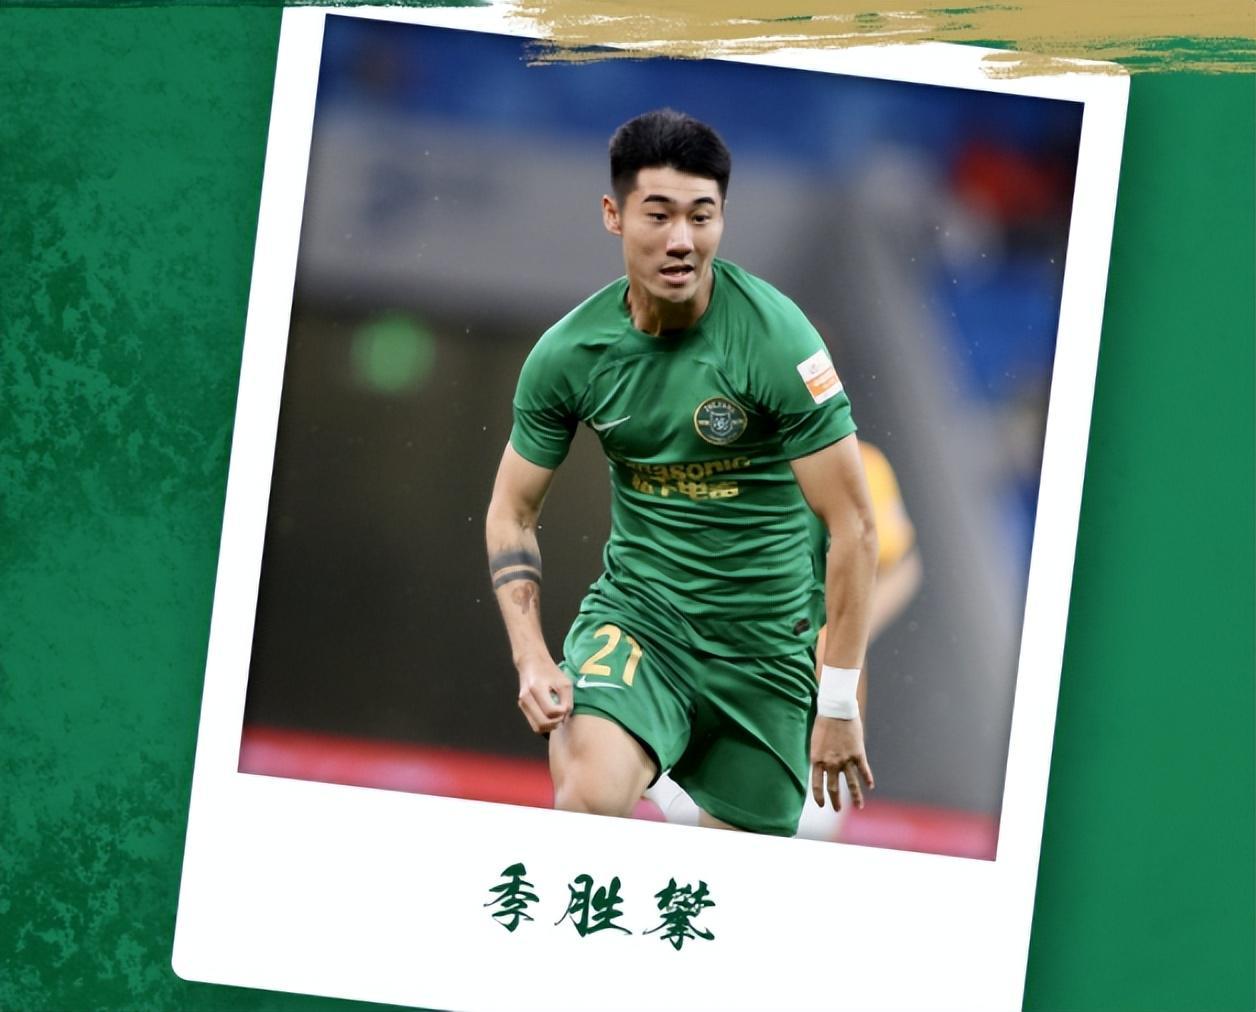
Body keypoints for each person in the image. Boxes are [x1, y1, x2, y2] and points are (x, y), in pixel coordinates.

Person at [485, 108, 878, 836]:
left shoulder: (777, 340)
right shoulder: (570, 356)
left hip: (766, 650)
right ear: (613, 215)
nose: (681, 240)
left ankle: (669, 780)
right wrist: (532, 656)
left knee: (722, 884)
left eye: (702, 217)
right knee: (589, 797)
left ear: (723, 218)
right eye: (658, 214)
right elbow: (512, 510)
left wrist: (838, 701)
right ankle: (646, 755)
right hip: (642, 622)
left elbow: (853, 524)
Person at [646, 440, 922, 839]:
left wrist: (845, 629)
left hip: (814, 713)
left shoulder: (860, 463)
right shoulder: (714, 461)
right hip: (724, 692)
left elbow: (903, 566)